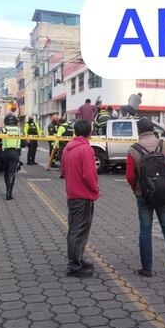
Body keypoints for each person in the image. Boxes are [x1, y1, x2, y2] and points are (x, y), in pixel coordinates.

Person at [126, 118, 165, 278]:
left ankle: (147, 268)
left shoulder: (133, 150)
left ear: (138, 131)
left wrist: (136, 189)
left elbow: (130, 176)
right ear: (153, 129)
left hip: (143, 196)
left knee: (145, 230)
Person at [61, 119, 99, 278]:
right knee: (80, 230)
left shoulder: (68, 148)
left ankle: (77, 258)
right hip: (83, 195)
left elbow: (63, 171)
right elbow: (89, 175)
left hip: (72, 193)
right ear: (89, 132)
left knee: (75, 228)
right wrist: (95, 189)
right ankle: (74, 265)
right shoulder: (86, 149)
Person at [0, 114, 22, 200]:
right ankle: (9, 193)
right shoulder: (20, 130)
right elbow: (24, 143)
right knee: (12, 173)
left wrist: (2, 144)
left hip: (4, 153)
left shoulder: (3, 130)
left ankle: (7, 188)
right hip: (15, 153)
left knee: (6, 172)